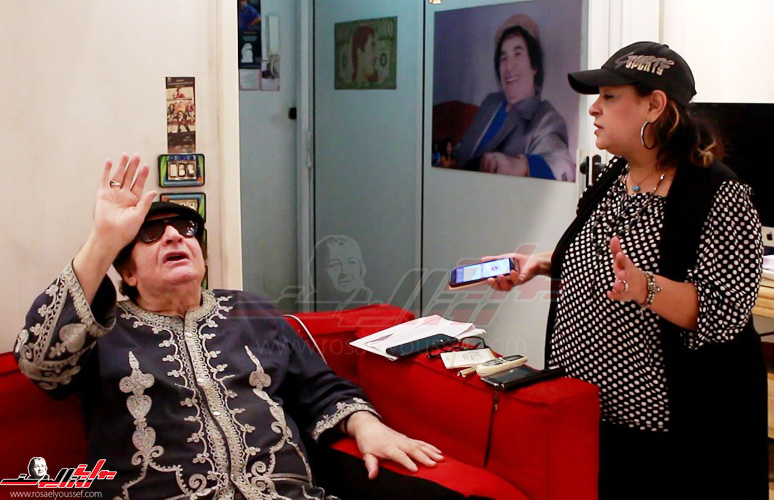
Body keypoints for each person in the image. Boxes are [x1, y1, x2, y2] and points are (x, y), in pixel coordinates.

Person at [14, 154, 442, 499]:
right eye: (151, 234)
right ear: (127, 273)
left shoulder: (251, 311)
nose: (175, 237)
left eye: (186, 230)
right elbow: (38, 364)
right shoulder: (103, 329)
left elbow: (320, 387)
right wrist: (102, 242)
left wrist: (367, 426)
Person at [486, 42, 766, 499]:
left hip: (661, 434)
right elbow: (603, 261)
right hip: (583, 410)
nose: (594, 108)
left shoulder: (719, 194)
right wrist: (538, 265)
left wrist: (646, 287)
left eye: (610, 96)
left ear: (655, 105)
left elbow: (726, 311)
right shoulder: (615, 176)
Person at [455, 14, 574, 181]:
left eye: (518, 54)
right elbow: (463, 150)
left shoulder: (547, 118)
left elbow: (563, 166)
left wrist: (522, 165)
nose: (509, 67)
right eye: (503, 58)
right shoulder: (491, 102)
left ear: (534, 66)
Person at [315, 235, 373, 311]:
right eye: (335, 264)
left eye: (351, 262)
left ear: (361, 267)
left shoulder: (373, 304)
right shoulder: (310, 304)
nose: (345, 272)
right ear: (320, 271)